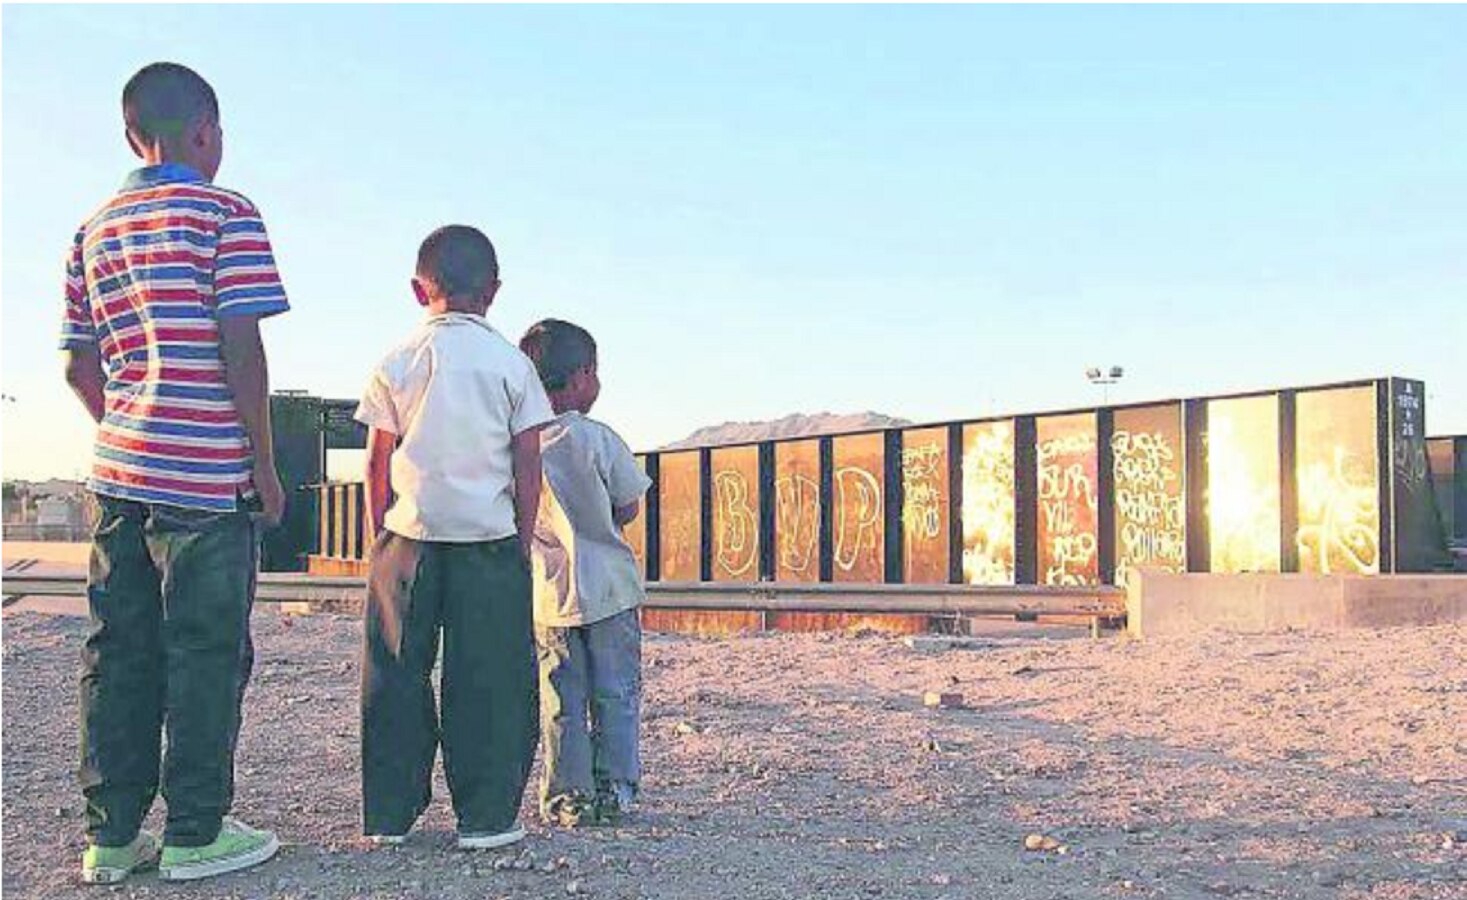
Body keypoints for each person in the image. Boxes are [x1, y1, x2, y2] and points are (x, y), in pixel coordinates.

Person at [60, 62, 287, 883]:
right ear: (206, 132)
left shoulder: (92, 229)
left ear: (132, 137)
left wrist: (130, 428)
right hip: (207, 480)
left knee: (116, 650)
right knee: (205, 652)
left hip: (119, 474)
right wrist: (263, 464)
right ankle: (196, 830)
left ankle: (112, 838)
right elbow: (241, 346)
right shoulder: (226, 213)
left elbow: (77, 366)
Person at [355, 225, 554, 849]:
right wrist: (520, 539)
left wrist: (379, 536)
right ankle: (486, 817)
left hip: (407, 537)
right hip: (487, 539)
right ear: (493, 291)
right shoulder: (513, 365)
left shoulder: (397, 360)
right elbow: (528, 462)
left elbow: (376, 459)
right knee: (488, 677)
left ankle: (389, 815)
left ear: (420, 290)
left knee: (394, 672)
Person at [518, 319, 652, 827]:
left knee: (561, 698)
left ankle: (566, 796)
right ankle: (615, 788)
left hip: (550, 597)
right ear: (580, 377)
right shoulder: (598, 438)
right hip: (609, 591)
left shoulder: (521, 446)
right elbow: (628, 505)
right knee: (615, 692)